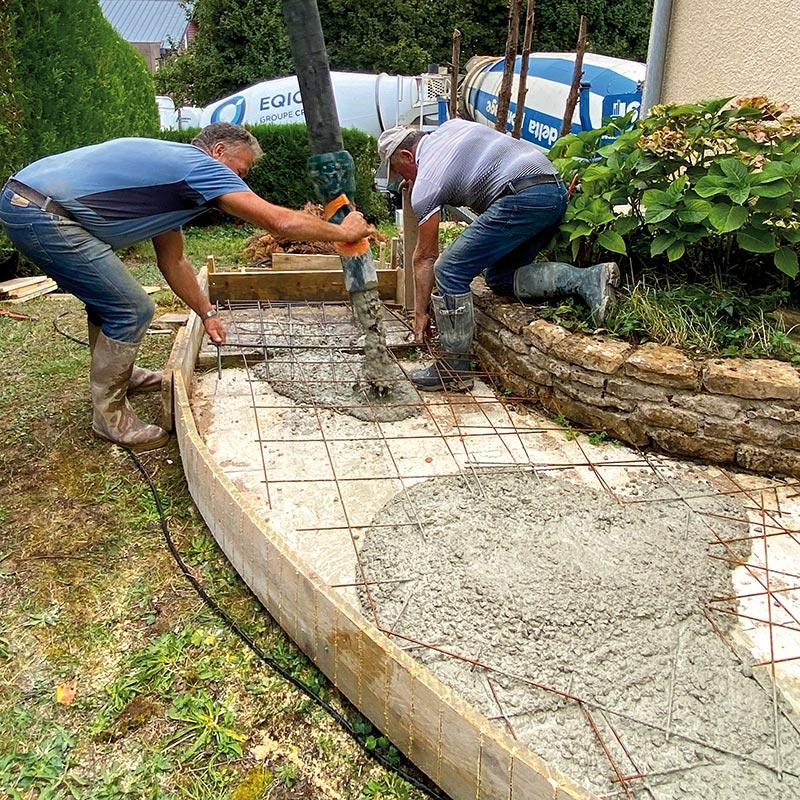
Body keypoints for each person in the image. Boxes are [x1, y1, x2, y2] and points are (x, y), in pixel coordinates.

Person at [0, 123, 373, 450]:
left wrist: (207, 314)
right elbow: (281, 223)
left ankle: (122, 378)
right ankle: (109, 416)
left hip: (29, 199)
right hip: (42, 211)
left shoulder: (172, 181)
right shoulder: (200, 166)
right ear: (218, 150)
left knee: (109, 299)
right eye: (240, 171)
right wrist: (343, 232)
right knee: (131, 308)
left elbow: (173, 261)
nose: (240, 182)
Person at [377, 118, 618, 391]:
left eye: (399, 171)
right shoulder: (452, 127)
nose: (403, 180)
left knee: (449, 270)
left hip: (521, 196)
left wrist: (421, 312)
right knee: (500, 278)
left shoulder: (427, 180)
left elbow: (426, 257)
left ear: (408, 156)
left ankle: (455, 369)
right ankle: (586, 279)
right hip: (553, 191)